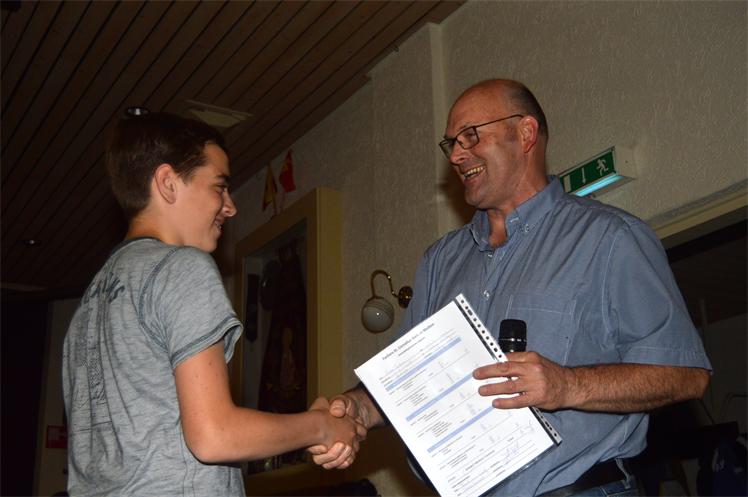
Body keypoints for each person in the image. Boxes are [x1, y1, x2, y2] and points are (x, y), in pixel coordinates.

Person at [310, 79, 711, 496]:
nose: (457, 155)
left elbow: (686, 375)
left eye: (470, 136)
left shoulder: (609, 239)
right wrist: (358, 408)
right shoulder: (439, 261)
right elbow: (409, 382)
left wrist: (567, 385)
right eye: (451, 144)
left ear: (525, 133)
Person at [62, 113, 362, 496]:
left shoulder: (88, 306)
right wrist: (321, 426)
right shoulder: (181, 266)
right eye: (219, 187)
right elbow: (214, 435)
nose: (230, 206)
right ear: (168, 183)